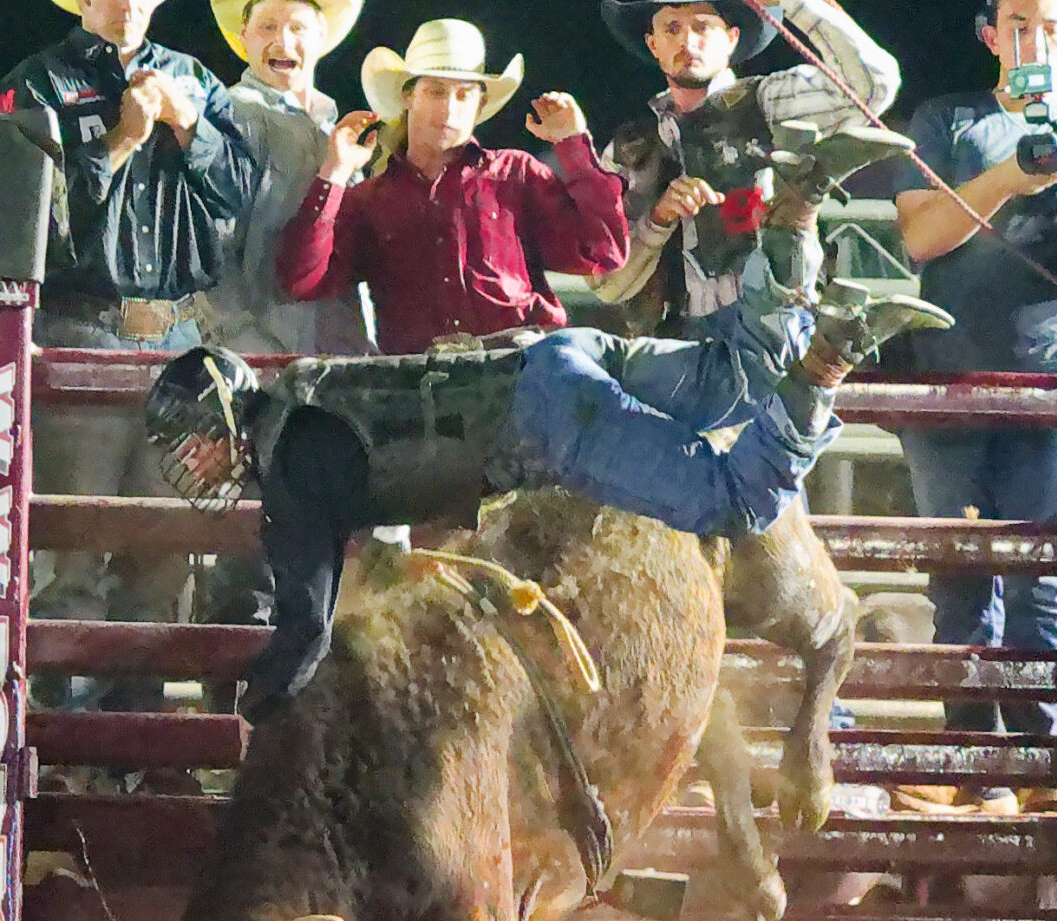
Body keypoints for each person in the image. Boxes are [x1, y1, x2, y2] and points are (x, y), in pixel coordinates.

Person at [144, 283, 952, 725]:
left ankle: (829, 358)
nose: (193, 460)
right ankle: (797, 226)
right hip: (554, 355)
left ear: (221, 418)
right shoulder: (301, 395)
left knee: (733, 500)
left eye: (193, 441)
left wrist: (257, 705)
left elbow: (306, 622)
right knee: (726, 382)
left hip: (545, 422)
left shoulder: (288, 474)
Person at [890, 0, 1057, 787]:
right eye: (1019, 23)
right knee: (960, 582)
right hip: (952, 378)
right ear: (990, 35)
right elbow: (920, 238)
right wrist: (1011, 175)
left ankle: (1046, 777)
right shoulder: (948, 118)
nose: (1035, 39)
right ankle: (973, 768)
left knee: (1047, 583)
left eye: (1053, 27)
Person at [0, 0, 251, 713]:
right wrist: (121, 141)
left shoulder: (197, 83)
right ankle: (66, 742)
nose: (129, 1)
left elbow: (239, 194)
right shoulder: (38, 83)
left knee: (165, 550)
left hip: (176, 331)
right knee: (73, 545)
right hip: (83, 325)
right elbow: (37, 225)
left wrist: (190, 131)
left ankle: (133, 744)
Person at [593, 0, 908, 396]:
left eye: (704, 26)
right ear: (653, 44)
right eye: (672, 28)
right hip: (681, 344)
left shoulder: (768, 103)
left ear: (731, 38)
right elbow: (607, 283)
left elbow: (874, 85)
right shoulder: (630, 149)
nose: (689, 41)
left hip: (777, 328)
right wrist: (658, 220)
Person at [275, 19, 626, 353]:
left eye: (463, 95)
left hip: (526, 369)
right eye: (435, 91)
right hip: (424, 387)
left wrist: (573, 145)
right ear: (408, 96)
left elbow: (604, 252)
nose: (448, 109)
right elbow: (302, 280)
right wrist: (334, 172)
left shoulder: (515, 175)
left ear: (480, 104)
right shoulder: (369, 201)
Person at [200, 0, 371, 355]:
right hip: (264, 361)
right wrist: (247, 353)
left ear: (321, 36)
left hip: (340, 359)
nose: (283, 41)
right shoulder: (229, 119)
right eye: (267, 27)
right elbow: (212, 258)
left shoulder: (336, 125)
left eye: (297, 27)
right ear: (243, 37)